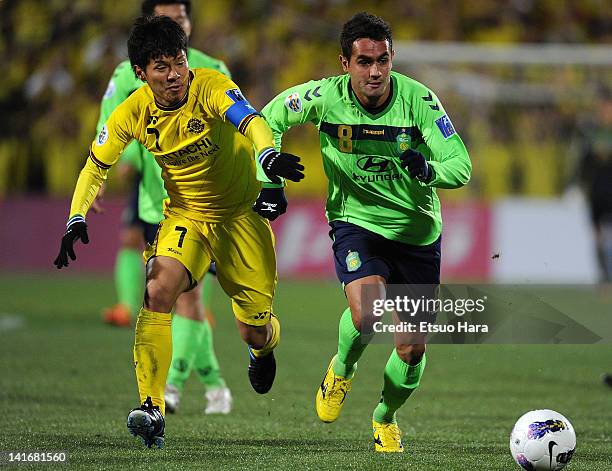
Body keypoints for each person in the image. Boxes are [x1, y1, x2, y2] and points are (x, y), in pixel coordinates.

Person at [54, 15, 304, 448]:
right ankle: (152, 407)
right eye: (160, 67)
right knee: (158, 289)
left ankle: (262, 348)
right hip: (185, 216)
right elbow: (96, 166)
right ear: (140, 74)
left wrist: (267, 160)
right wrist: (76, 216)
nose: (174, 75)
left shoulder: (208, 85)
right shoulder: (133, 111)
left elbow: (250, 120)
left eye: (178, 61)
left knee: (253, 329)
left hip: (241, 217)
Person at [262, 12, 471, 453]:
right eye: (364, 62)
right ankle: (341, 368)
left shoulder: (420, 102)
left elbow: (462, 166)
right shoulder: (323, 96)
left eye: (382, 60)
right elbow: (269, 118)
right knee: (368, 314)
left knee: (412, 349)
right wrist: (270, 175)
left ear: (392, 59)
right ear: (345, 63)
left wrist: (429, 169)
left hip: (417, 234)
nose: (374, 71)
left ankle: (384, 417)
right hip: (356, 221)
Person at [98, 0, 233, 416]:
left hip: (202, 205)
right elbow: (112, 125)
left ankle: (169, 389)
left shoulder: (213, 69)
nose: (177, 24)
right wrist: (108, 172)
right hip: (154, 199)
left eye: (182, 17)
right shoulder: (127, 74)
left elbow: (236, 125)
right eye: (168, 19)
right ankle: (214, 386)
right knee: (159, 297)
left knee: (190, 302)